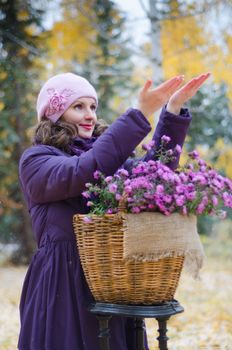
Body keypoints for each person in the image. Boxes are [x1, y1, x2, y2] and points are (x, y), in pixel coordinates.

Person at [18, 71, 210, 350]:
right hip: (60, 283)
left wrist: (173, 112)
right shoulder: (37, 160)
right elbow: (84, 171)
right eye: (78, 106)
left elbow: (153, 175)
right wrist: (141, 113)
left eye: (93, 107)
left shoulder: (108, 158)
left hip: (110, 278)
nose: (90, 116)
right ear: (54, 113)